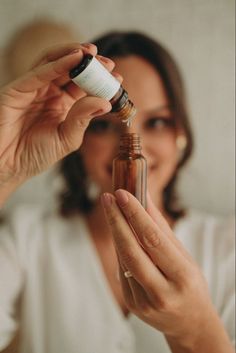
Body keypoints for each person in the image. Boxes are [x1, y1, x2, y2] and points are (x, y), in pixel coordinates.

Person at [0, 31, 234, 353]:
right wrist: (4, 173)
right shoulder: (25, 237)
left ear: (180, 134)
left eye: (158, 122)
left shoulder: (227, 247)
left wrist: (196, 330)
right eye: (101, 125)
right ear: (78, 139)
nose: (132, 141)